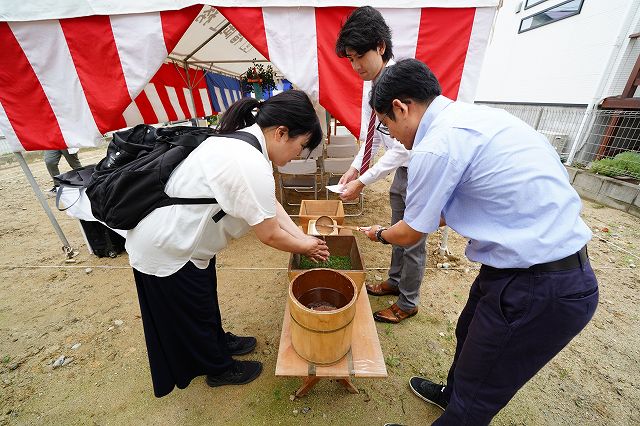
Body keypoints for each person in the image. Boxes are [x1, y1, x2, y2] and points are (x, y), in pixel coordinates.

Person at [364, 59, 599, 425]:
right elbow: (439, 210)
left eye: (387, 125)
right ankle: (451, 393)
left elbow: (412, 232)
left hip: (540, 284)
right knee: (469, 331)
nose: (392, 135)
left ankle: (460, 404)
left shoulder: (435, 145)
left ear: (400, 107)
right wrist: (406, 223)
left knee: (480, 391)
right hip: (518, 270)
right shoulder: (482, 119)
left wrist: (379, 234)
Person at [125, 90, 330, 398]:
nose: (297, 157)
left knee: (203, 300)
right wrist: (306, 247)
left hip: (189, 245)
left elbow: (270, 205)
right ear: (282, 132)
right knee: (192, 309)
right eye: (301, 147)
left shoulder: (243, 145)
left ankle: (218, 341)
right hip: (168, 247)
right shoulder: (246, 160)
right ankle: (218, 368)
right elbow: (269, 234)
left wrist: (303, 237)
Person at [335, 6, 426, 324]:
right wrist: (355, 168)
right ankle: (395, 281)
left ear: (381, 47)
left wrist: (362, 181)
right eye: (351, 59)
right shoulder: (371, 85)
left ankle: (408, 300)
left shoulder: (400, 81)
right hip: (403, 169)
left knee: (412, 233)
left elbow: (403, 148)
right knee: (399, 226)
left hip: (419, 165)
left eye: (360, 56)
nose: (356, 65)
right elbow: (369, 137)